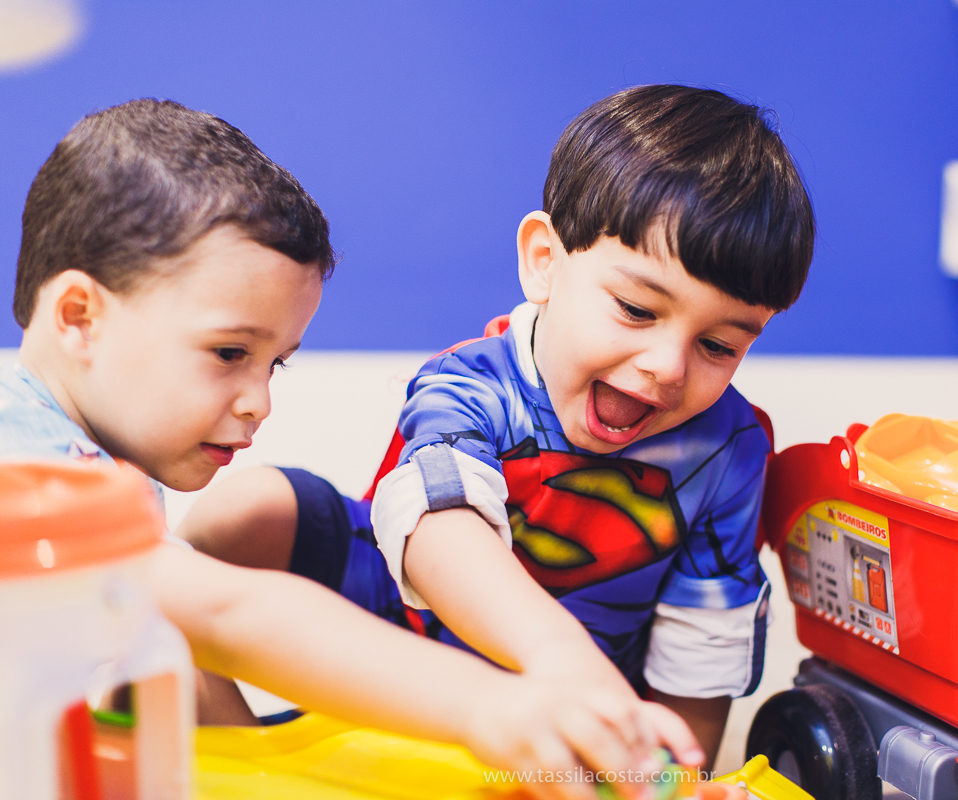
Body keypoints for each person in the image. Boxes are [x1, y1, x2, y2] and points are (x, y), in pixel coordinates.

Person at [0, 98, 703, 800]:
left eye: (273, 364)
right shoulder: (27, 468)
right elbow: (229, 614)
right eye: (228, 352)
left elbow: (184, 630)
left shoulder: (95, 470)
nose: (259, 402)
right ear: (79, 318)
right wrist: (488, 707)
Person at [184, 84, 815, 769]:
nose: (667, 367)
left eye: (720, 346)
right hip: (402, 632)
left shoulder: (728, 447)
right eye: (637, 309)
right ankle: (241, 757)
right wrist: (556, 654)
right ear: (544, 261)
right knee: (237, 518)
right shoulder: (468, 383)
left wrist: (667, 769)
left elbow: (703, 643)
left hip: (593, 695)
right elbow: (437, 533)